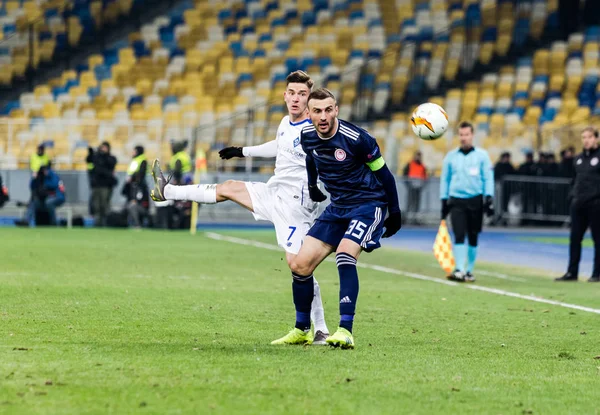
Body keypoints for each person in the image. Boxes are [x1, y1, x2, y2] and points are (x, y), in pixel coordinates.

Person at [150, 70, 331, 343]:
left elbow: (322, 159)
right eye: (292, 93)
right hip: (274, 193)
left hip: (296, 206)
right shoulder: (286, 123)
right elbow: (279, 145)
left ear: (309, 98)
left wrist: (317, 187)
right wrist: (242, 151)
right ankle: (167, 191)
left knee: (300, 267)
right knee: (229, 187)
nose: (296, 99)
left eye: (302, 94)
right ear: (284, 95)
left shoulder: (313, 129)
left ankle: (319, 328)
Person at [270, 88, 402, 349]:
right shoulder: (307, 136)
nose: (323, 116)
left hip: (367, 204)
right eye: (317, 111)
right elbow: (311, 159)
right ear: (309, 113)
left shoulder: (358, 139)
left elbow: (385, 175)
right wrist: (312, 186)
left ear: (336, 110)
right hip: (337, 207)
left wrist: (395, 213)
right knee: (299, 265)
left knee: (345, 254)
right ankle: (302, 329)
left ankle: (345, 330)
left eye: (328, 110)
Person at [440, 121, 494, 282]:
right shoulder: (451, 157)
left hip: (475, 200)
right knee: (458, 233)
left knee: (473, 235)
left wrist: (489, 197)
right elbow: (445, 179)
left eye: (467, 134)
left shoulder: (482, 156)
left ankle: (469, 270)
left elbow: (487, 177)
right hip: (456, 200)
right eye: (461, 135)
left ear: (472, 136)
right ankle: (459, 269)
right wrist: (444, 199)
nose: (464, 138)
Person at [556, 127, 600, 283]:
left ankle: (597, 273)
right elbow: (574, 180)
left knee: (598, 239)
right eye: (583, 137)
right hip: (578, 203)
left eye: (589, 137)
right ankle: (572, 272)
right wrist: (572, 196)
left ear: (596, 138)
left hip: (596, 204)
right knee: (574, 238)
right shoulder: (578, 159)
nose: (586, 140)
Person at [89, 142, 117, 227]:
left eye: (104, 147)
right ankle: (97, 223)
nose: (103, 149)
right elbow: (89, 160)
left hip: (106, 186)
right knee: (96, 205)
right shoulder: (97, 157)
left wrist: (103, 155)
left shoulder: (111, 158)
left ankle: (106, 223)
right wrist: (92, 153)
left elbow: (110, 164)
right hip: (96, 185)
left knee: (104, 205)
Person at [122, 146, 148, 228]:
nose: (132, 153)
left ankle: (137, 224)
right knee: (127, 206)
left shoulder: (142, 160)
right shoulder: (134, 160)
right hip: (131, 186)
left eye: (134, 151)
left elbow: (140, 173)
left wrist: (133, 178)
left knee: (132, 206)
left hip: (140, 204)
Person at [402, 151, 427, 224]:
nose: (418, 157)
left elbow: (424, 176)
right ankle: (407, 219)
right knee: (409, 203)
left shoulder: (422, 166)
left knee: (417, 204)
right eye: (417, 155)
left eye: (419, 156)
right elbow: (405, 174)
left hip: (418, 188)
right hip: (411, 187)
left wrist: (422, 185)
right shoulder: (410, 164)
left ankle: (415, 219)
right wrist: (408, 184)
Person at [493, 152, 515, 223]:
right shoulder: (498, 165)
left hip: (506, 189)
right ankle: (497, 217)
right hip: (499, 189)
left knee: (505, 203)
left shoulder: (509, 166)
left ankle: (504, 218)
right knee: (498, 203)